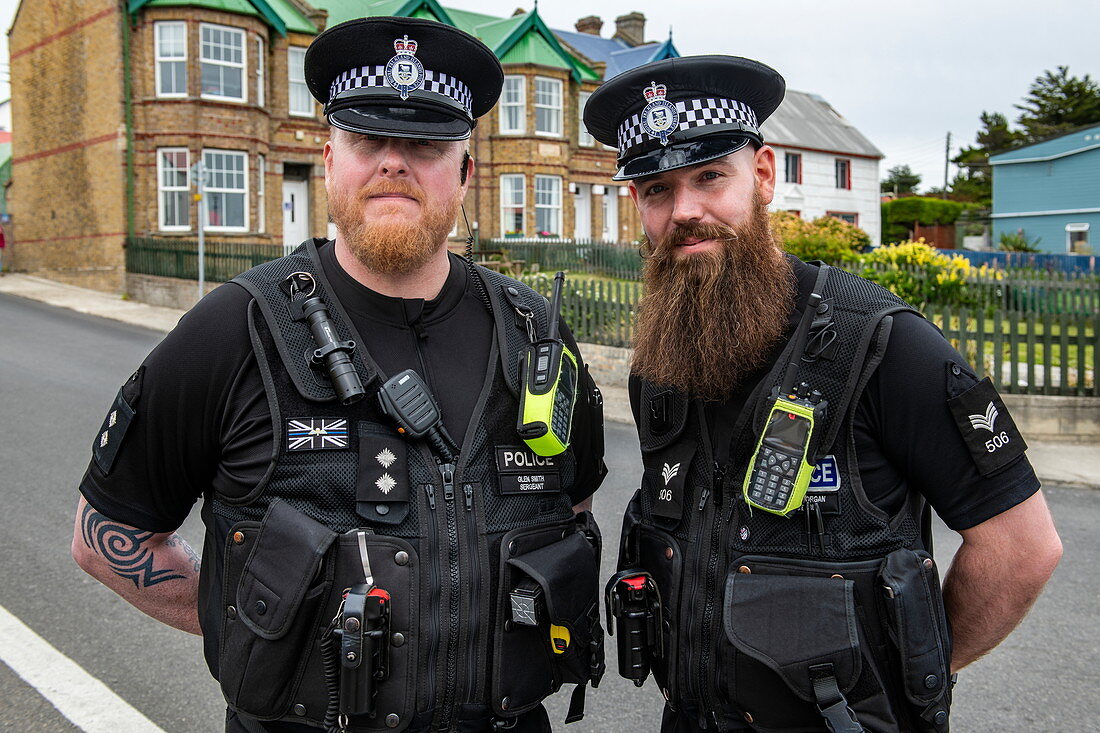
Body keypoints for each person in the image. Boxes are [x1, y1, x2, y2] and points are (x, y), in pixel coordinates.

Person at [72, 16, 607, 733]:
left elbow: (573, 511)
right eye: (367, 141)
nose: (393, 162)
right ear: (329, 159)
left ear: (464, 172)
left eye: (422, 143)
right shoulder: (237, 327)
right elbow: (106, 533)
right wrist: (270, 628)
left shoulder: (536, 331)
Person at [585, 56, 1062, 732]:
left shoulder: (885, 346)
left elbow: (1022, 545)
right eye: (657, 189)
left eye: (709, 177)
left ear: (764, 174)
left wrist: (914, 671)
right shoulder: (660, 365)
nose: (685, 210)